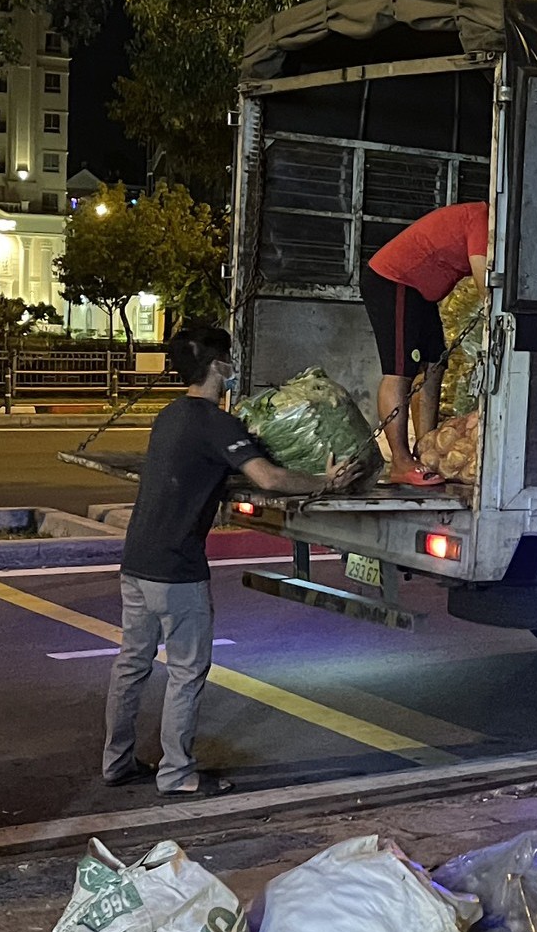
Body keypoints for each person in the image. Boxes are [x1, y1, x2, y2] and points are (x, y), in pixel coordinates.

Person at [107, 325, 364, 796]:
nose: (232, 367)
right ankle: (177, 774)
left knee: (131, 664)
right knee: (186, 671)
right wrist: (323, 482)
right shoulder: (216, 422)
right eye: (228, 359)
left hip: (136, 559)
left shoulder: (167, 416)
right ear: (218, 366)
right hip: (176, 567)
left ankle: (116, 762)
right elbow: (267, 478)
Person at [361, 201, 489, 486]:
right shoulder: (483, 219)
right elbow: (485, 285)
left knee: (434, 363)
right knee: (400, 369)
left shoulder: (485, 221)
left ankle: (426, 449)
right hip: (393, 280)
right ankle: (401, 462)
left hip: (419, 291)